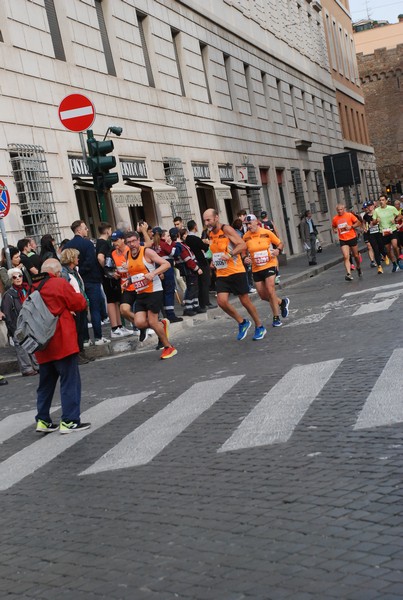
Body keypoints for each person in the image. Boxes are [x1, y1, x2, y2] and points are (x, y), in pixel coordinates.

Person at [33, 259, 90, 434]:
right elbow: (79, 303)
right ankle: (70, 421)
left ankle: (42, 420)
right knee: (69, 381)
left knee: (46, 384)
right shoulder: (58, 283)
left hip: (42, 344)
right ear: (57, 272)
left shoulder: (32, 287)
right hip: (62, 341)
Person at [203, 208, 265, 341]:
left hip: (236, 271)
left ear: (216, 218)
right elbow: (216, 251)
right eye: (205, 220)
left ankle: (259, 326)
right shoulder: (210, 234)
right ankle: (242, 322)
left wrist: (230, 254)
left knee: (245, 301)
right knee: (222, 302)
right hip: (221, 273)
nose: (206, 222)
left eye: (208, 220)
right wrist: (214, 261)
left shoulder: (227, 230)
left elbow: (242, 245)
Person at [124, 231, 177, 359]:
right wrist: (128, 281)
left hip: (154, 291)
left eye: (133, 241)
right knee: (139, 323)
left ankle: (168, 347)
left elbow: (167, 264)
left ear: (138, 241)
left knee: (153, 322)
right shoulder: (128, 254)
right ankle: (161, 325)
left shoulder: (147, 252)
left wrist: (153, 274)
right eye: (129, 242)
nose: (132, 245)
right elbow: (134, 273)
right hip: (141, 292)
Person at [64, 220, 110, 345]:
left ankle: (85, 339)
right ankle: (98, 337)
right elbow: (90, 261)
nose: (87, 230)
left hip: (76, 282)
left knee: (81, 311)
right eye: (85, 228)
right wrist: (81, 272)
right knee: (95, 309)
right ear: (78, 230)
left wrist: (77, 274)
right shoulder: (88, 244)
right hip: (91, 280)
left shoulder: (67, 245)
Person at [243, 214, 289, 329]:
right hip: (256, 268)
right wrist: (245, 258)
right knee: (263, 295)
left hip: (269, 264)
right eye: (246, 224)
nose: (248, 226)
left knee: (270, 289)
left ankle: (276, 317)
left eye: (250, 223)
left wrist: (278, 250)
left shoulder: (266, 232)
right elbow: (243, 252)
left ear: (256, 222)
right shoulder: (245, 237)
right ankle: (281, 303)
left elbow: (280, 243)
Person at [96, 223, 132, 338]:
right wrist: (110, 272)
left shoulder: (108, 245)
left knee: (117, 301)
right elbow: (101, 258)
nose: (114, 242)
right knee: (112, 301)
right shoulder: (104, 244)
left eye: (116, 240)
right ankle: (115, 328)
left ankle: (119, 326)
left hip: (115, 279)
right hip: (110, 279)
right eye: (114, 240)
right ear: (108, 231)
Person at [1, 267, 39, 376]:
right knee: (21, 347)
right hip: (17, 326)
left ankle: (37, 365)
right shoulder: (8, 295)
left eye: (20, 276)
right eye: (14, 277)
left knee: (33, 344)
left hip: (30, 323)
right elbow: (7, 314)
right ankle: (27, 369)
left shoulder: (27, 289)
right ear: (11, 279)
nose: (18, 278)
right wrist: (13, 328)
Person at [60, 248, 92, 365]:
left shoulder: (74, 270)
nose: (78, 259)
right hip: (73, 306)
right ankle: (77, 355)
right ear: (71, 258)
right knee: (76, 331)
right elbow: (65, 291)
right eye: (76, 257)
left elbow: (80, 287)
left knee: (81, 330)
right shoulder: (64, 273)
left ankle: (81, 352)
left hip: (80, 304)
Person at [153, 227, 183, 323]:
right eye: (167, 235)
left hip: (159, 270)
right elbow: (175, 252)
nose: (169, 237)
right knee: (169, 291)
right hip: (167, 270)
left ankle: (166, 314)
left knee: (163, 292)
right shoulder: (163, 244)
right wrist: (177, 243)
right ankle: (170, 314)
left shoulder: (154, 245)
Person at [186, 219, 216, 310]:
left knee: (199, 284)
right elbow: (205, 248)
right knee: (205, 282)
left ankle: (201, 303)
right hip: (201, 262)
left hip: (194, 262)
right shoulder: (195, 238)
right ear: (195, 226)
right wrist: (206, 243)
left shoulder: (187, 238)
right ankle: (206, 302)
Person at [175, 227, 204, 316]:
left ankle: (195, 305)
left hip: (191, 269)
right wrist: (196, 268)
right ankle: (189, 308)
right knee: (191, 288)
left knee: (194, 288)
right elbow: (188, 259)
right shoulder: (180, 246)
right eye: (185, 234)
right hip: (189, 270)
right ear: (180, 235)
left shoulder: (183, 245)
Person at [331, 204, 362, 281]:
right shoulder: (335, 218)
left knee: (356, 255)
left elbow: (358, 223)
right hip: (343, 239)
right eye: (338, 210)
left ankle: (358, 266)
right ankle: (349, 274)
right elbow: (334, 226)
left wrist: (351, 227)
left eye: (341, 209)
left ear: (344, 209)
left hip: (352, 237)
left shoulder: (349, 215)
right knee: (345, 256)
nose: (340, 211)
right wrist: (334, 230)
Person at [372, 195, 403, 272]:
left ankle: (398, 259)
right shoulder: (376, 210)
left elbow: (400, 216)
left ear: (386, 201)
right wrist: (376, 221)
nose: (381, 202)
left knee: (395, 245)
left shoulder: (391, 208)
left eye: (383, 200)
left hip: (392, 230)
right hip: (383, 232)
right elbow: (373, 222)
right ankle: (394, 263)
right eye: (380, 200)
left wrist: (395, 220)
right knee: (388, 250)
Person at [362, 201, 384, 274]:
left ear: (373, 206)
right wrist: (364, 228)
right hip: (371, 234)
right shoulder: (366, 215)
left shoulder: (378, 213)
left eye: (371, 205)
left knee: (381, 247)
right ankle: (379, 267)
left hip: (379, 233)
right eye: (368, 206)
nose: (370, 207)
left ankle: (385, 255)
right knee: (375, 249)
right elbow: (363, 222)